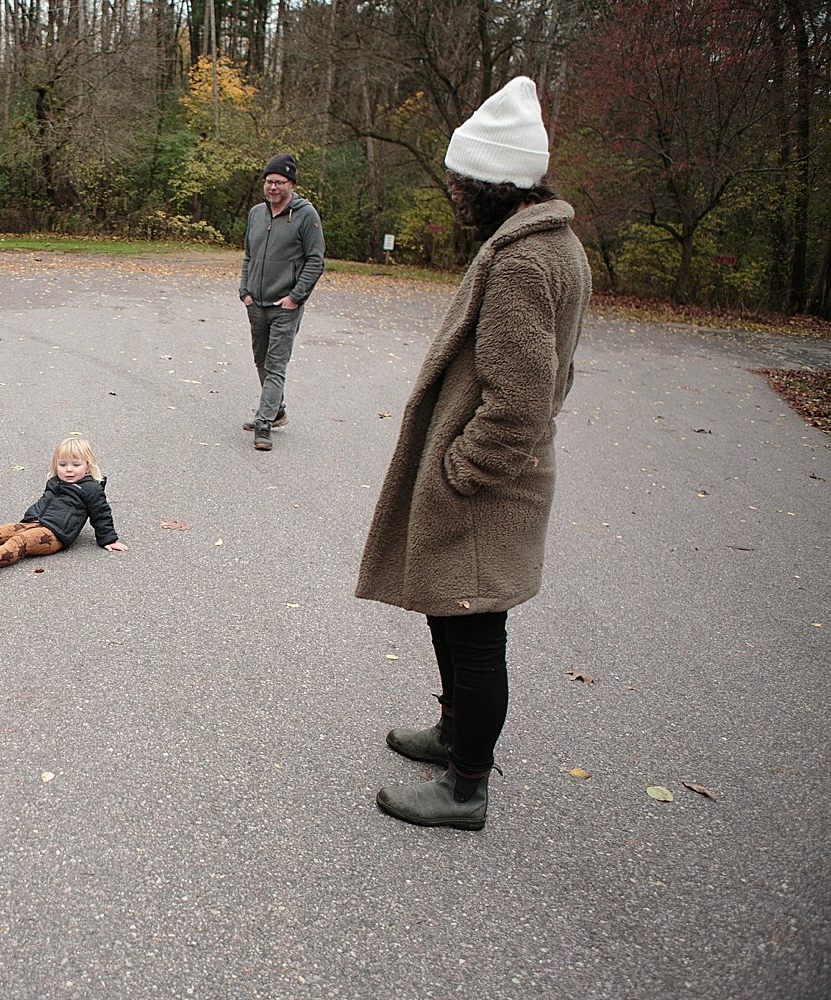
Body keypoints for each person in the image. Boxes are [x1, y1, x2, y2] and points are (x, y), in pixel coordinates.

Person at [355, 76, 592, 831]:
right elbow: (558, 373)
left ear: (500, 181)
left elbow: (520, 400)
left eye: (463, 181)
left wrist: (463, 472)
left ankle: (465, 786)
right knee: (448, 610)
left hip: (489, 486)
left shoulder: (522, 261)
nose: (453, 191)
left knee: (476, 627)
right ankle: (454, 733)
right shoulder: (553, 244)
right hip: (493, 481)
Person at [0, 437, 128, 574]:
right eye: (63, 464)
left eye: (76, 465)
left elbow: (101, 515)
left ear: (88, 466)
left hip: (54, 535)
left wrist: (108, 539)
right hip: (34, 522)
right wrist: (30, 517)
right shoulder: (55, 481)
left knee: (21, 541)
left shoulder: (91, 489)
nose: (69, 470)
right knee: (1, 531)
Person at [238, 152, 326, 452]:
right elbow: (248, 255)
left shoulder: (306, 215)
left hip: (285, 306)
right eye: (268, 181)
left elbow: (315, 261)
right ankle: (276, 410)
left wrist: (295, 297)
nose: (273, 187)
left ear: (291, 183)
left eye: (279, 182)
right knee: (261, 360)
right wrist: (244, 291)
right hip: (256, 302)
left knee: (275, 364)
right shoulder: (256, 214)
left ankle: (264, 423)